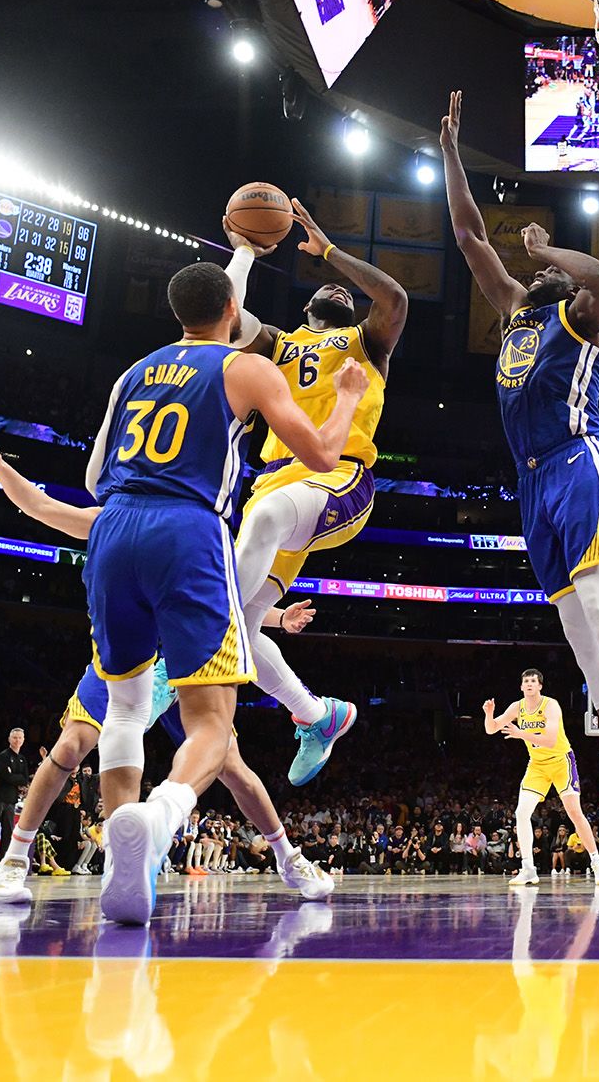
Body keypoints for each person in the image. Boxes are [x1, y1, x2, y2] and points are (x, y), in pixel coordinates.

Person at [84, 261, 367, 925]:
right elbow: (325, 455)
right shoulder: (244, 367)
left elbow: (95, 474)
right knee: (212, 723)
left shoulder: (133, 372)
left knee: (124, 712)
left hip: (113, 530)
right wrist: (348, 396)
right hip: (184, 533)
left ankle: (115, 855)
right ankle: (159, 817)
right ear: (234, 308)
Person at [441, 90, 599, 865]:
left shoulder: (575, 318)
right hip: (531, 482)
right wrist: (450, 153)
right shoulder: (513, 310)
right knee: (579, 640)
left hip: (579, 463)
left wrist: (550, 250)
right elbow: (471, 233)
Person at [0, 436, 334, 908]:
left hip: (178, 665)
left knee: (230, 765)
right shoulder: (116, 519)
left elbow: (225, 593)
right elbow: (38, 504)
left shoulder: (198, 531)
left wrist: (277, 618)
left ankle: (287, 856)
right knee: (71, 745)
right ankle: (16, 860)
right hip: (126, 659)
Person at [223, 197, 410, 787]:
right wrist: (245, 253)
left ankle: (199, 640)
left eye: (346, 294)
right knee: (249, 629)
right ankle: (317, 714)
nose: (339, 293)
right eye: (328, 288)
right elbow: (228, 320)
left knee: (265, 524)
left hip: (339, 476)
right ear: (308, 306)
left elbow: (395, 300)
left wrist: (329, 252)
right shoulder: (279, 342)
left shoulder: (367, 343)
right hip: (274, 482)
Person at [484, 669, 599, 885]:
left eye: (534, 681)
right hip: (537, 766)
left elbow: (551, 740)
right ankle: (528, 869)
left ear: (540, 686)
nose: (530, 684)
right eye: (526, 681)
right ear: (521, 686)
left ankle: (597, 863)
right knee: (521, 813)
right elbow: (491, 729)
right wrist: (489, 714)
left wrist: (520, 733)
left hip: (561, 761)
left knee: (574, 812)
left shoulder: (550, 705)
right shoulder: (517, 707)